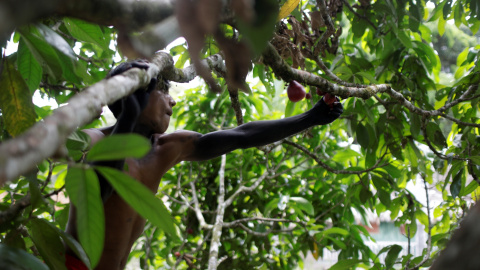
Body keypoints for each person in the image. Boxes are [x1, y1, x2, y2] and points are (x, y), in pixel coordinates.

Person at [64, 60, 343, 270]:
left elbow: (242, 135)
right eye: (162, 90)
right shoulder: (94, 140)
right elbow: (94, 190)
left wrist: (310, 118)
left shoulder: (165, 148)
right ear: (134, 94)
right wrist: (127, 117)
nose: (172, 99)